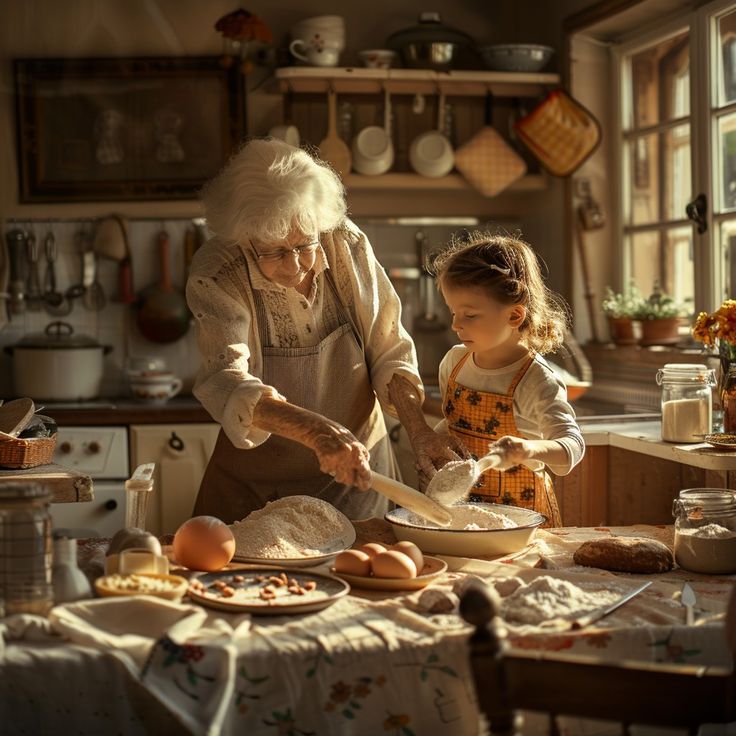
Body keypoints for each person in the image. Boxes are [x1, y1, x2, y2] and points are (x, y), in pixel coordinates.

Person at [186, 138, 453, 523]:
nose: (295, 266)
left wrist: (419, 429)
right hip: (254, 491)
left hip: (358, 480)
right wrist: (316, 431)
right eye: (275, 251)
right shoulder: (218, 271)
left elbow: (388, 349)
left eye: (305, 245)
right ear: (244, 237)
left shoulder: (345, 243)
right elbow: (227, 379)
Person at [390, 232, 584, 526]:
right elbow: (455, 423)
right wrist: (437, 444)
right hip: (462, 514)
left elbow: (572, 448)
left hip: (522, 521)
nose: (455, 324)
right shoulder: (455, 362)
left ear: (515, 315)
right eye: (454, 312)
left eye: (470, 315)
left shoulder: (536, 380)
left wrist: (527, 450)